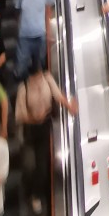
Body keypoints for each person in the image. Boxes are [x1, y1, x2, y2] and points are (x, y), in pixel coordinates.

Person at [16, 58, 77, 202]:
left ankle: (38, 194)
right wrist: (35, 118)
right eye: (35, 77)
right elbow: (20, 116)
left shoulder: (47, 78)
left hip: (45, 125)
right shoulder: (23, 88)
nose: (38, 80)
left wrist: (69, 106)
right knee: (30, 165)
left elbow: (57, 94)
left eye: (39, 76)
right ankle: (29, 193)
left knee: (42, 163)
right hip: (30, 130)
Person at [16, 0, 56, 79]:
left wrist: (48, 33)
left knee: (40, 63)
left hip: (40, 34)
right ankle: (23, 84)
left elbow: (48, 11)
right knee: (21, 66)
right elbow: (17, 10)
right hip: (24, 35)